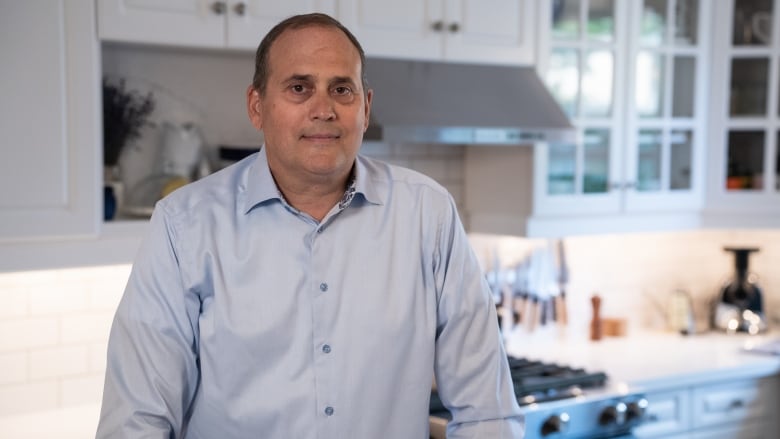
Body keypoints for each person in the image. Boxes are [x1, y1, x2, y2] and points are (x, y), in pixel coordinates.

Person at [96, 12, 523, 439]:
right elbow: (137, 420)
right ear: (257, 106)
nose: (324, 109)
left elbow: (488, 412)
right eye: (299, 88)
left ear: (365, 107)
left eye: (342, 89)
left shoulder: (428, 216)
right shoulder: (183, 225)